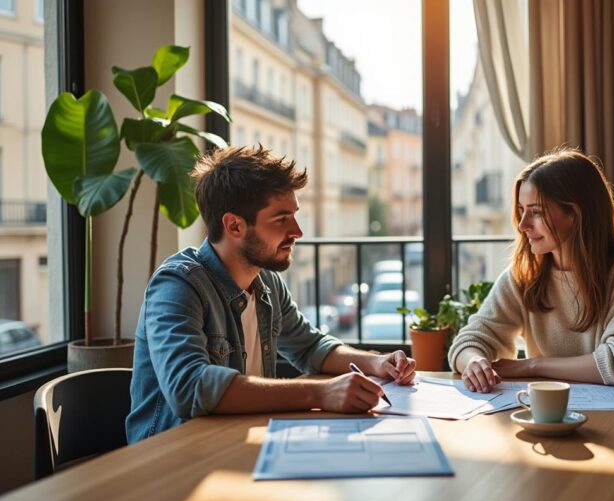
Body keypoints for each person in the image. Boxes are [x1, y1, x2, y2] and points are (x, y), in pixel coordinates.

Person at [126, 146, 416, 443]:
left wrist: (377, 364)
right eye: (281, 219)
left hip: (239, 442)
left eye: (294, 216)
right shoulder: (177, 284)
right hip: (172, 455)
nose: (297, 231)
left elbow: (310, 347)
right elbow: (189, 388)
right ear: (234, 225)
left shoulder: (265, 281)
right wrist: (320, 392)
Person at [448, 148, 614, 393]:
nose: (523, 224)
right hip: (548, 414)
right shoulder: (526, 273)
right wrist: (474, 361)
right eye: (522, 210)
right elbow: (468, 341)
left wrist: (533, 366)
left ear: (575, 214)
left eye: (536, 212)